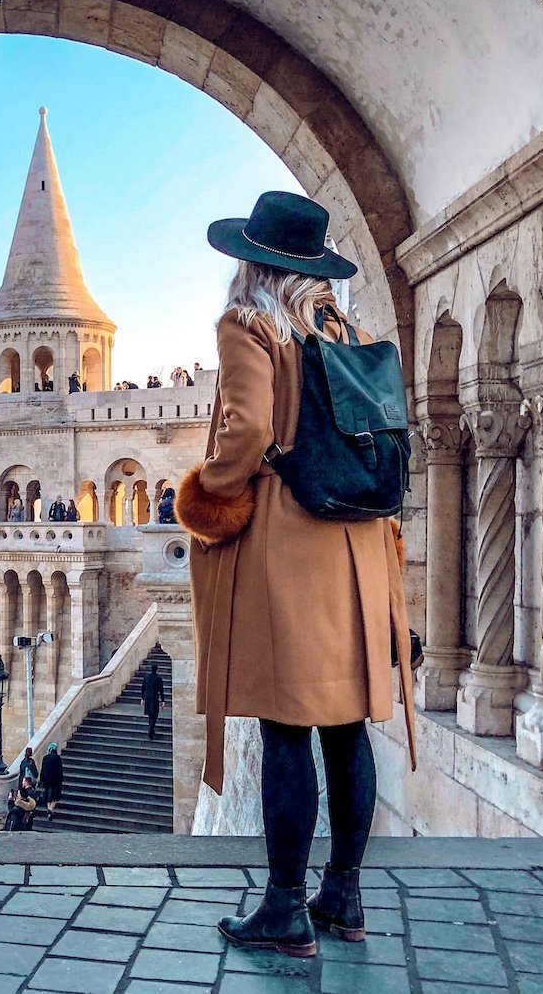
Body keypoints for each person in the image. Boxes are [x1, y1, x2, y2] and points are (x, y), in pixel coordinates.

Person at [177, 191, 415, 959]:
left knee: (286, 727)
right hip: (362, 546)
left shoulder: (251, 325)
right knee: (346, 728)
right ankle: (342, 894)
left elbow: (245, 429)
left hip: (293, 543)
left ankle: (284, 906)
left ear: (253, 262)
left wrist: (210, 490)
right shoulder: (352, 331)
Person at [38, 743, 65, 820]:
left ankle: (49, 811)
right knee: (55, 797)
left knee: (48, 796)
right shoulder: (57, 758)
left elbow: (43, 770)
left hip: (47, 780)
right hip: (56, 780)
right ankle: (50, 810)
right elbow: (60, 770)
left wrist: (41, 780)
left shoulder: (45, 757)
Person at [140, 661, 166, 740]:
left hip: (147, 697)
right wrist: (163, 700)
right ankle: (151, 730)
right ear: (157, 669)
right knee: (154, 715)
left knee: (150, 714)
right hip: (154, 698)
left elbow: (143, 688)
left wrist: (142, 698)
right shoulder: (159, 678)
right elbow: (161, 690)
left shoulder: (146, 677)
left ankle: (151, 729)